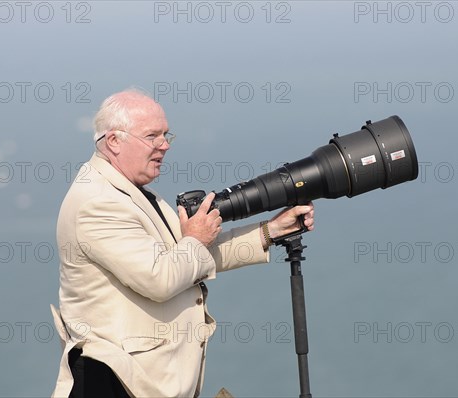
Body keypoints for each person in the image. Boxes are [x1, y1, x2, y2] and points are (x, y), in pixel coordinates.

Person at [50, 89, 315, 398]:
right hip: (116, 383)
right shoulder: (98, 203)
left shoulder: (129, 191)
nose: (164, 145)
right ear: (113, 141)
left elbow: (188, 256)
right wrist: (195, 237)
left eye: (166, 135)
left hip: (139, 381)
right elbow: (160, 277)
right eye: (152, 136)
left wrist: (269, 231)